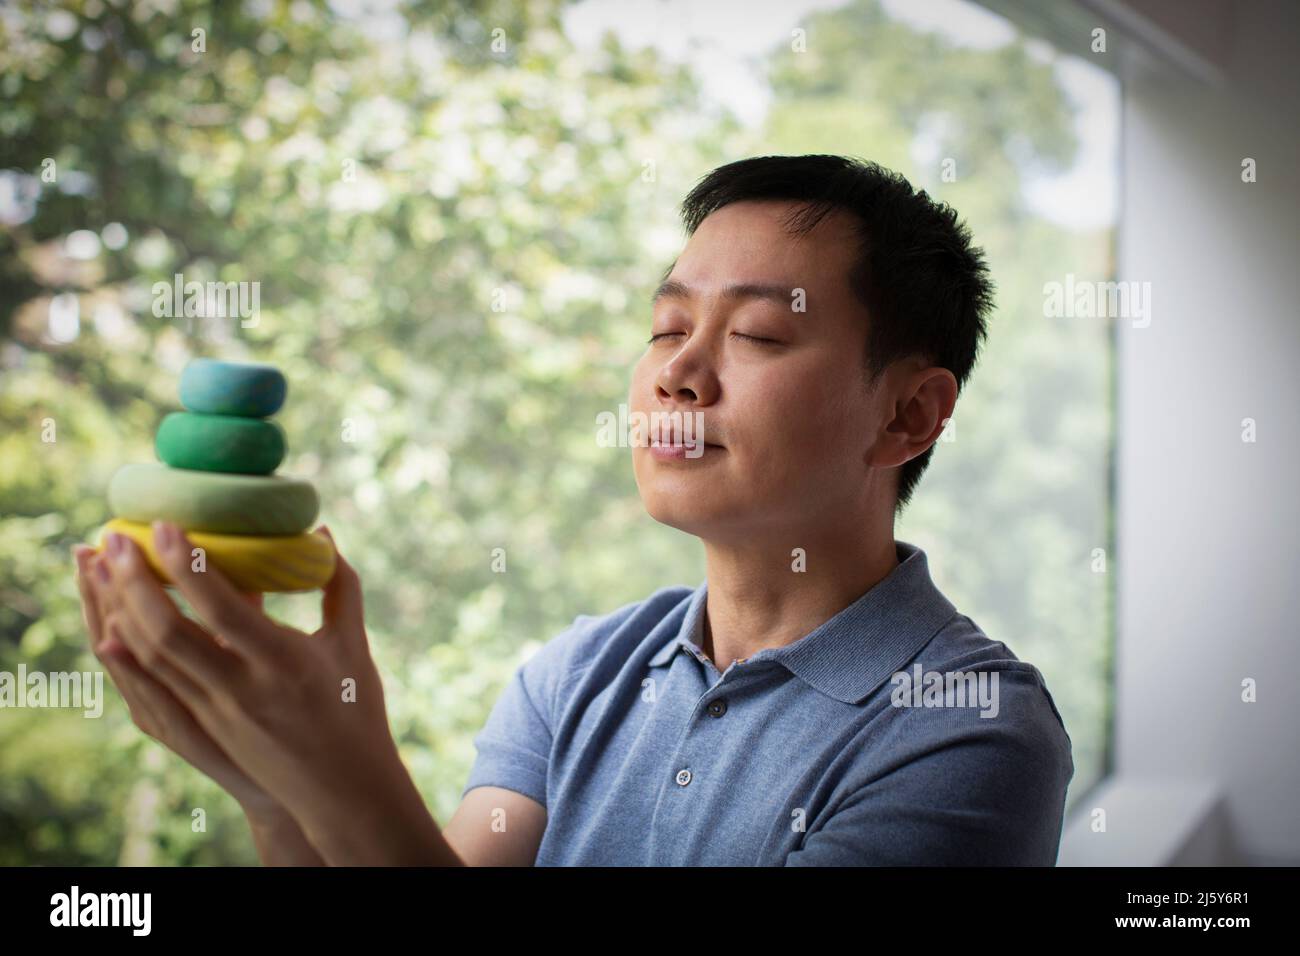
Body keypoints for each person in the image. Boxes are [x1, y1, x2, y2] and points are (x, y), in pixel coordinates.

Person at [73, 154, 1073, 866]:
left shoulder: (971, 736)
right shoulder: (577, 676)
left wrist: (347, 771)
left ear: (909, 413)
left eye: (761, 334)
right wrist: (273, 786)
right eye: (666, 324)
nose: (677, 370)